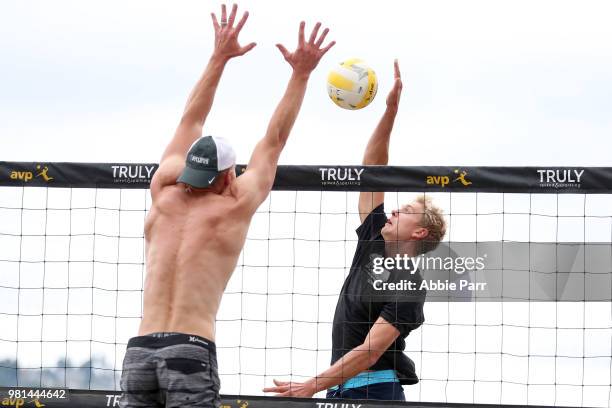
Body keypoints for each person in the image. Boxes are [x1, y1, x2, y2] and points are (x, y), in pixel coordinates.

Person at [119, 4, 335, 407]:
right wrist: (301, 73)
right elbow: (274, 141)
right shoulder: (233, 206)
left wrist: (218, 57)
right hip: (189, 350)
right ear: (229, 174)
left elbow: (191, 119)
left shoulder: (163, 190)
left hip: (139, 353)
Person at [264, 61, 446, 401]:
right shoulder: (373, 243)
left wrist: (310, 386)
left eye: (406, 211)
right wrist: (390, 111)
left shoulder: (409, 284)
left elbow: (370, 352)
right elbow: (372, 171)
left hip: (376, 391)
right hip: (340, 390)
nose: (394, 209)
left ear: (420, 233)